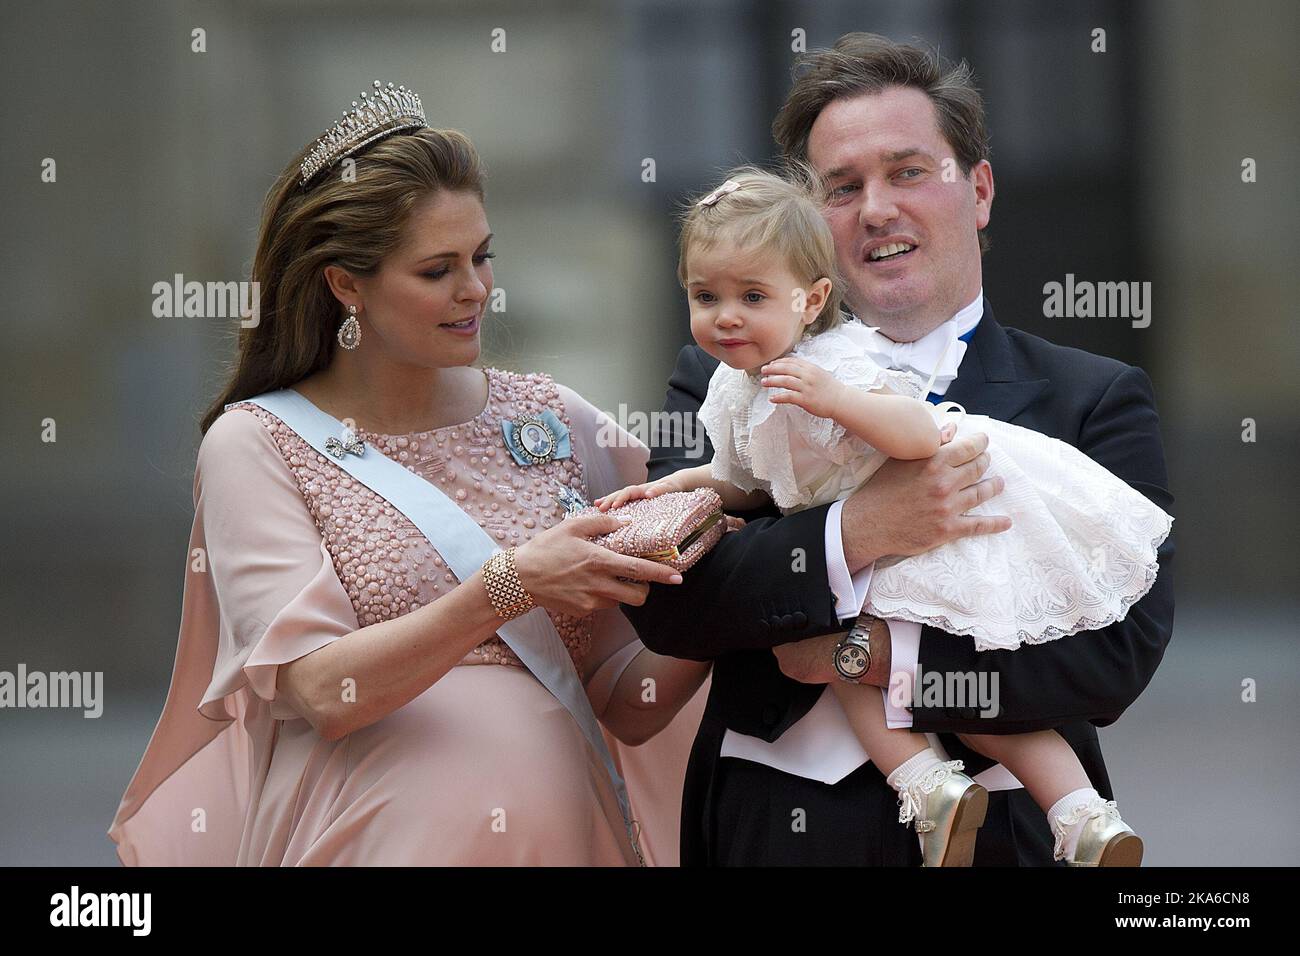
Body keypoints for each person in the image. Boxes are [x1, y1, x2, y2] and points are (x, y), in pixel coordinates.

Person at [107, 81, 708, 866]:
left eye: (483, 256)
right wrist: (513, 584)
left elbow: (627, 702)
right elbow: (322, 690)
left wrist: (730, 589)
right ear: (345, 283)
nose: (476, 290)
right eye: (437, 271)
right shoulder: (255, 445)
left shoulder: (558, 419)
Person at [619, 33, 1176, 867]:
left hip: (1010, 835)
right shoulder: (724, 372)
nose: (876, 208)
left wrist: (875, 656)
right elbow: (674, 605)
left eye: (908, 172)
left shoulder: (1090, 396)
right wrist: (853, 531)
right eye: (842, 188)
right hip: (770, 830)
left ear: (979, 190)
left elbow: (1113, 658)